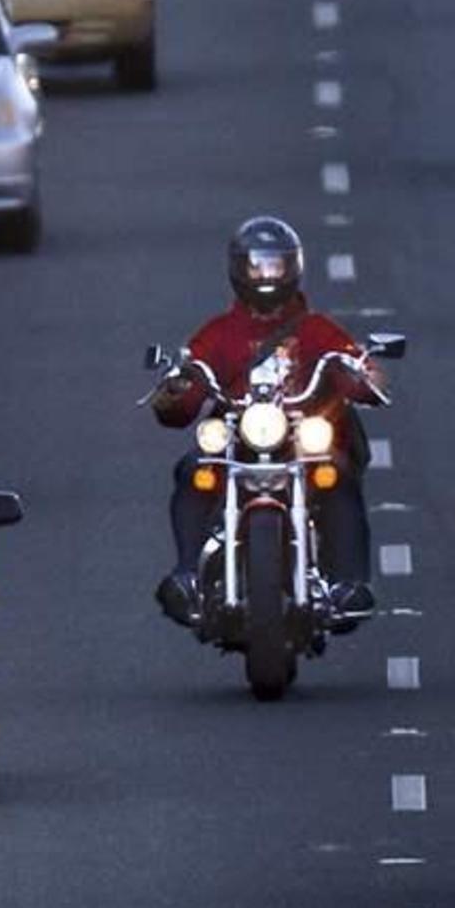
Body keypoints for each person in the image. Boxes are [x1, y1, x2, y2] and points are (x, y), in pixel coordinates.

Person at [151, 216, 385, 627]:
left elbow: (358, 368)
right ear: (238, 270)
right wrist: (175, 387)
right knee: (194, 472)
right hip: (240, 438)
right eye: (256, 265)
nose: (266, 274)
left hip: (302, 438)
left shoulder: (317, 330)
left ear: (293, 267)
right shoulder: (219, 333)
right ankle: (188, 572)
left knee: (337, 475)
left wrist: (363, 374)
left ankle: (349, 584)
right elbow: (184, 390)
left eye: (275, 265)